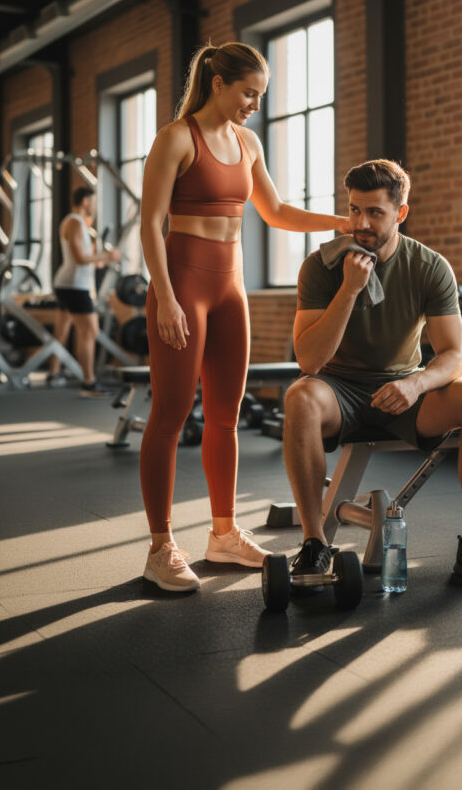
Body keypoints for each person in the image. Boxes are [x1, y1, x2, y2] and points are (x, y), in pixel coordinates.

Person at [139, 41, 350, 593]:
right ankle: (161, 547)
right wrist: (164, 297)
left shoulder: (247, 142)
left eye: (261, 95)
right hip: (183, 284)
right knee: (169, 414)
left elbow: (276, 213)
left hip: (231, 289)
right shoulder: (176, 139)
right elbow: (151, 225)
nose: (254, 104)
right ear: (218, 83)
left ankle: (223, 533)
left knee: (227, 416)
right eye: (248, 92)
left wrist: (341, 223)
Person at [282, 158, 462, 591]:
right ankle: (315, 544)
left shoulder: (429, 266)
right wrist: (350, 289)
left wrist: (416, 384)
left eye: (375, 212)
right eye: (355, 209)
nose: (361, 223)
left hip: (403, 388)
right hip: (338, 390)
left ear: (401, 213)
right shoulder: (321, 267)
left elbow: (454, 355)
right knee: (299, 396)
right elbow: (310, 362)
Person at [47, 187, 121, 397]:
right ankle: (89, 382)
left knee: (62, 331)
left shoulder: (77, 224)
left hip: (68, 283)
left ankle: (54, 372)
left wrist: (103, 259)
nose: (95, 206)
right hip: (74, 286)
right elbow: (80, 259)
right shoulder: (75, 223)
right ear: (86, 201)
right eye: (94, 201)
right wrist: (106, 255)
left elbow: (86, 261)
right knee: (89, 331)